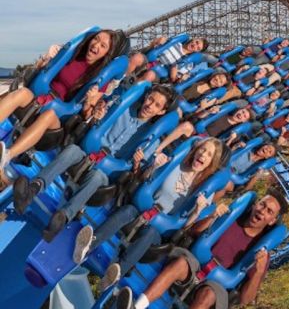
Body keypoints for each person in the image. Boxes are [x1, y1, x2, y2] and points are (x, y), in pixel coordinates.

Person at [12, 84, 177, 241]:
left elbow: (135, 175)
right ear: (146, 96)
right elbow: (94, 124)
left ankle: (62, 218)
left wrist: (136, 163)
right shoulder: (122, 109)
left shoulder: (151, 141)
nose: (150, 106)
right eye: (150, 99)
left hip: (107, 171)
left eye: (156, 105)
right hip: (89, 152)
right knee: (72, 150)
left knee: (97, 177)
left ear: (161, 112)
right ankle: (32, 189)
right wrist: (96, 117)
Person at [73, 137, 226, 290]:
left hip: (160, 229)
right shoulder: (176, 164)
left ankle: (116, 273)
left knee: (150, 233)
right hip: (143, 209)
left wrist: (198, 211)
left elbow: (186, 227)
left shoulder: (205, 190)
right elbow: (145, 180)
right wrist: (153, 167)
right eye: (202, 149)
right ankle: (88, 245)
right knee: (127, 211)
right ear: (196, 149)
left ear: (212, 162)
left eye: (209, 154)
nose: (203, 155)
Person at [116, 192, 287, 309]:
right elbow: (193, 232)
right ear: (255, 205)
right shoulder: (230, 220)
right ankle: (137, 306)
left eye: (268, 211)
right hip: (195, 264)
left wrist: (257, 272)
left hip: (216, 284)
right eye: (262, 204)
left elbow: (245, 300)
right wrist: (213, 217)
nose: (262, 211)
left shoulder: (262, 253)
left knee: (209, 295)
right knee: (181, 263)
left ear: (271, 221)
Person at [0, 29, 126, 172]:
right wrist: (47, 58)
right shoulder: (72, 55)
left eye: (103, 46)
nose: (96, 45)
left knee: (49, 115)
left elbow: (86, 115)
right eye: (96, 39)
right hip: (40, 98)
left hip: (58, 119)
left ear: (106, 54)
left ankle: (6, 156)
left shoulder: (100, 80)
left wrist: (89, 101)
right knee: (22, 93)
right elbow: (39, 70)